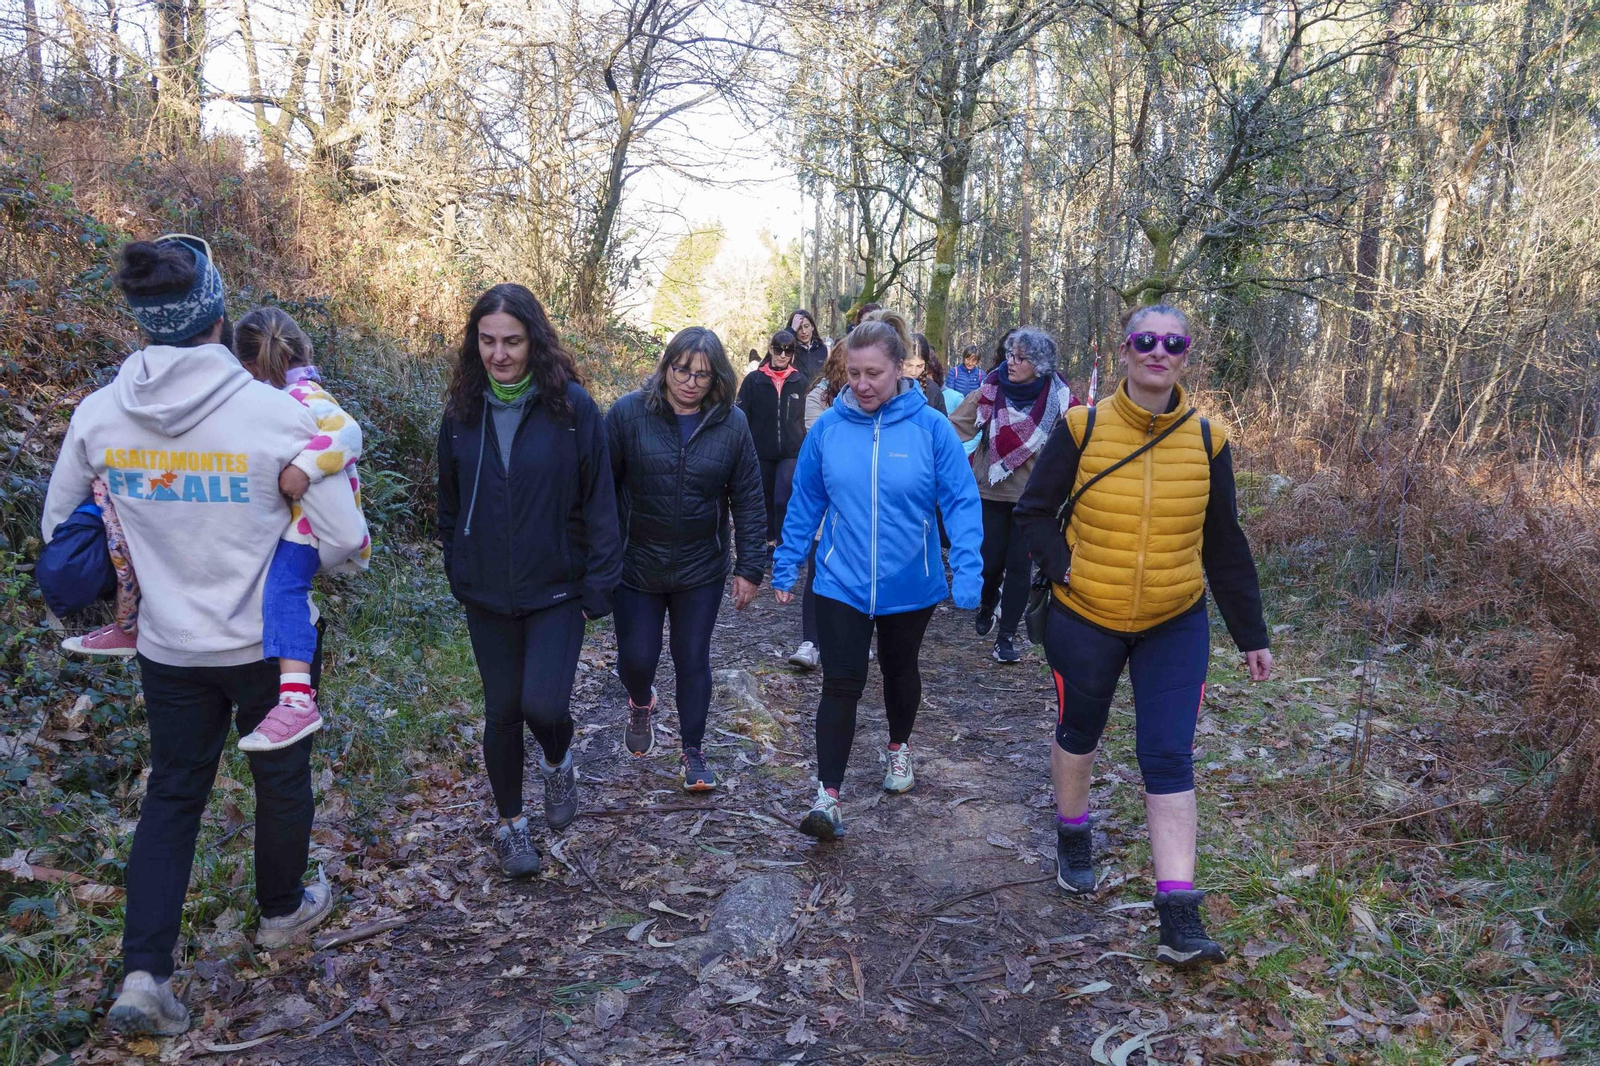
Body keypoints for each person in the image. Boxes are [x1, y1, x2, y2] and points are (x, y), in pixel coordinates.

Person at [42, 235, 368, 1036]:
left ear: (145, 322)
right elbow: (347, 542)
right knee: (281, 780)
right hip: (265, 642)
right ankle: (283, 911)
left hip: (168, 645)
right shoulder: (275, 415)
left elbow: (62, 532)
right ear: (218, 314)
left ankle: (144, 978)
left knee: (174, 796)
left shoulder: (99, 414)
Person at [1016, 304, 1272, 969]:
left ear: (1188, 355)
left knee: (1168, 754)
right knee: (1080, 730)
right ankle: (1074, 833)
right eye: (1146, 340)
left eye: (1174, 343)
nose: (1159, 352)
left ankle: (1178, 916)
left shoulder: (1210, 441)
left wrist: (1251, 632)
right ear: (1125, 349)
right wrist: (1064, 568)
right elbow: (1034, 512)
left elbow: (1224, 544)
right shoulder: (1083, 426)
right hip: (1086, 614)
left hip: (1173, 619)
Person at [436, 283, 621, 879]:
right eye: (487, 341)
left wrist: (599, 582)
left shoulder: (572, 409)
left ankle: (559, 757)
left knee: (543, 703)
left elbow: (601, 500)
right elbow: (448, 502)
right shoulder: (463, 411)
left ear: (534, 341)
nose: (499, 354)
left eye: (511, 341)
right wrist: (458, 565)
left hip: (557, 588)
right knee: (501, 710)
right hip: (486, 590)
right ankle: (513, 827)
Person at [772, 319, 983, 841]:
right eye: (854, 373)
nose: (862, 384)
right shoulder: (828, 429)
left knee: (898, 668)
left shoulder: (930, 427)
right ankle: (828, 797)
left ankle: (898, 748)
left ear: (900, 370)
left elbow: (959, 501)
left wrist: (970, 569)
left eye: (875, 374)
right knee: (841, 682)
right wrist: (788, 559)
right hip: (840, 578)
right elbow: (805, 501)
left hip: (911, 579)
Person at [605, 327, 766, 790]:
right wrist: (597, 558)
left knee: (691, 656)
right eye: (682, 370)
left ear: (717, 377)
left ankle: (693, 753)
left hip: (700, 567)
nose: (690, 382)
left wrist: (749, 566)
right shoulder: (627, 415)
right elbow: (598, 489)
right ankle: (641, 701)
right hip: (636, 564)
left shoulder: (732, 424)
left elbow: (749, 499)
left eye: (702, 373)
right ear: (666, 366)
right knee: (637, 658)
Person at [230, 307, 372, 752]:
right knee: (283, 593)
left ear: (248, 366)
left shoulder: (302, 396)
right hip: (301, 524)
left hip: (307, 526)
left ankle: (295, 700)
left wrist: (304, 470)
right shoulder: (292, 393)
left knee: (283, 593)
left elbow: (348, 433)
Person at [949, 327, 1076, 664]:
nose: (1012, 362)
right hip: (990, 491)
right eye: (1010, 355)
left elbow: (1078, 443)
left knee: (1020, 566)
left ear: (1040, 364)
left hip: (1034, 500)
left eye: (1021, 358)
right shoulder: (990, 390)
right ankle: (988, 599)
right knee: (990, 563)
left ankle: (1006, 638)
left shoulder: (1060, 399)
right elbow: (952, 428)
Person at [787, 337, 849, 670]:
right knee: (818, 570)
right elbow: (824, 448)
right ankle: (811, 641)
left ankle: (849, 638)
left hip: (863, 506)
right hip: (824, 500)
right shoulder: (818, 399)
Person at [735, 329, 808, 550]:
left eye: (788, 350)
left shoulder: (800, 381)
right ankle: (768, 543)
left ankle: (783, 544)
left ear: (793, 353)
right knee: (764, 499)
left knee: (782, 499)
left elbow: (806, 416)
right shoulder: (754, 380)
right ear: (771, 349)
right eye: (779, 349)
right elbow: (741, 415)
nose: (783, 355)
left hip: (791, 451)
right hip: (761, 449)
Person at [903, 331, 948, 415]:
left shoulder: (933, 391)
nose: (913, 372)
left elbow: (942, 425)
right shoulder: (886, 387)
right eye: (908, 365)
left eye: (919, 366)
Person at [788, 309, 827, 382]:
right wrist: (790, 330)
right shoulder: (789, 352)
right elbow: (781, 344)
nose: (804, 331)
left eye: (806, 326)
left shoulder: (823, 349)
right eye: (799, 328)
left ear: (812, 327)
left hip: (819, 392)